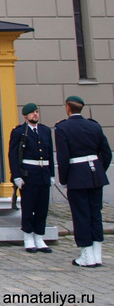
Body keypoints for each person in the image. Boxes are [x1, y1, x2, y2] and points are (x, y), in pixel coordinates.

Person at [54, 95, 112, 267]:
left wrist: (63, 179)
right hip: (95, 176)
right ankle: (97, 254)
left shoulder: (62, 128)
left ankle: (86, 256)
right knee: (95, 214)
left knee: (81, 215)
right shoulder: (93, 125)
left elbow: (63, 158)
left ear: (67, 108)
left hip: (77, 177)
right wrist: (99, 170)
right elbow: (106, 153)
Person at [8, 102, 54, 253]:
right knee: (28, 207)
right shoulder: (19, 132)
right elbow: (13, 155)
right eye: (32, 113)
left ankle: (39, 236)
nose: (35, 114)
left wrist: (51, 174)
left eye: (36, 112)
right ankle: (28, 236)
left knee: (42, 207)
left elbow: (50, 154)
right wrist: (16, 176)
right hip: (29, 174)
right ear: (25, 116)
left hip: (43, 173)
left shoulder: (45, 131)